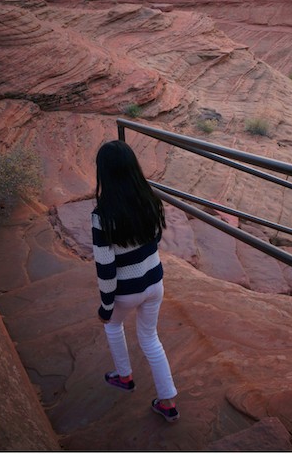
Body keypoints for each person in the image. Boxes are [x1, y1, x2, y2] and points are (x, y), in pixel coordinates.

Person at [91, 140, 179, 422]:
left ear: (103, 173)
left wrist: (105, 307)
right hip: (154, 282)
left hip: (126, 291)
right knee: (151, 338)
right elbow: (154, 240)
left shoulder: (102, 216)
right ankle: (168, 402)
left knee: (114, 325)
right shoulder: (151, 199)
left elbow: (106, 269)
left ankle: (125, 376)